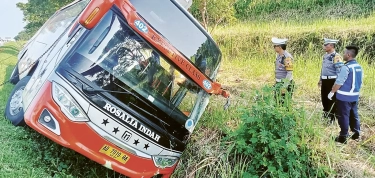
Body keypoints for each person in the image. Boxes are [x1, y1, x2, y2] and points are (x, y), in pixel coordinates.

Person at [328, 45, 363, 144]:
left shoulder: (346, 67)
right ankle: (356, 133)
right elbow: (360, 81)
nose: (343, 55)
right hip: (354, 96)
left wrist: (332, 92)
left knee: (343, 116)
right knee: (354, 114)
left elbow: (339, 82)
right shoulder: (358, 67)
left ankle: (343, 136)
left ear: (348, 55)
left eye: (344, 53)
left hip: (344, 97)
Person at [318, 38, 344, 124]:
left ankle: (331, 118)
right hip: (325, 80)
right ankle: (326, 115)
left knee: (331, 99)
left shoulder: (336, 56)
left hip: (332, 80)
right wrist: (320, 79)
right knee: (324, 98)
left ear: (332, 46)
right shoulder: (325, 56)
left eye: (326, 45)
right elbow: (323, 69)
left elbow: (340, 71)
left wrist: (336, 84)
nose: (324, 46)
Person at [272, 37, 295, 104]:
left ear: (279, 47)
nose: (274, 48)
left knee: (284, 104)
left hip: (285, 84)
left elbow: (289, 73)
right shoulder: (279, 56)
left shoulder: (287, 57)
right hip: (279, 83)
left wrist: (285, 86)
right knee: (277, 102)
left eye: (275, 46)